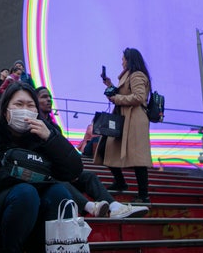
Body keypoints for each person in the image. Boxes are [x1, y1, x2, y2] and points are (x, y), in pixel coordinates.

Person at [0, 82, 83, 252]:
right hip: (1, 207)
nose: (25, 110)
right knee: (25, 193)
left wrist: (51, 139)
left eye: (30, 105)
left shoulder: (45, 134)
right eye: (19, 104)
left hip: (41, 203)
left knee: (60, 193)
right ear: (6, 108)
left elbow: (74, 170)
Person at [36, 86, 149, 218]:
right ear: (35, 101)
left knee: (89, 176)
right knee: (56, 180)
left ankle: (114, 207)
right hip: (46, 175)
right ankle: (90, 207)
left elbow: (63, 153)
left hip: (61, 172)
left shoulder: (55, 127)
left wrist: (71, 171)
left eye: (49, 96)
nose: (49, 99)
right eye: (44, 97)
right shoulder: (35, 125)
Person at [95, 47, 152, 203]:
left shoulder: (137, 75)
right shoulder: (129, 76)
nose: (121, 61)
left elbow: (139, 97)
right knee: (107, 148)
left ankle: (143, 195)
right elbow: (123, 94)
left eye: (123, 59)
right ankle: (120, 182)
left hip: (134, 119)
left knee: (138, 158)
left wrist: (116, 99)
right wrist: (109, 85)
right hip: (124, 118)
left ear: (129, 59)